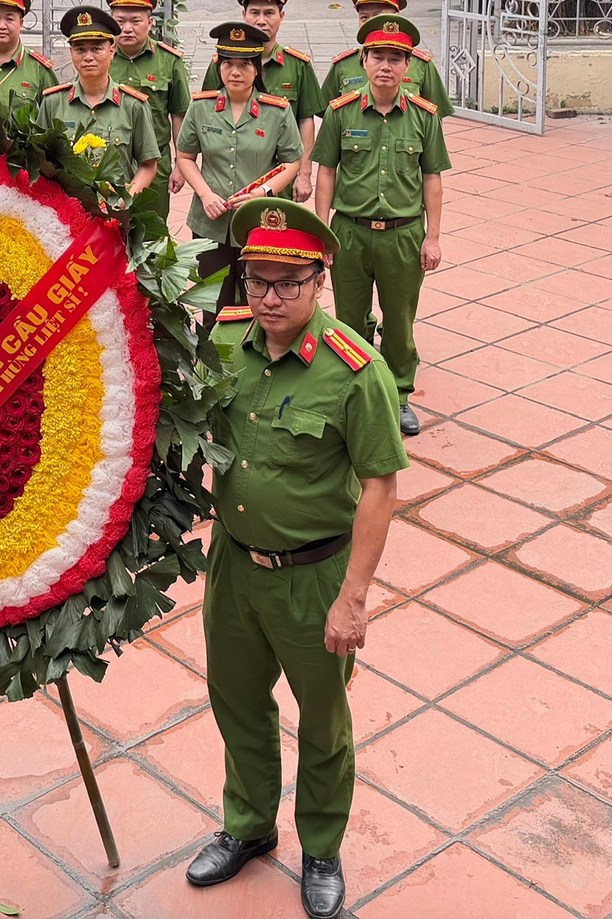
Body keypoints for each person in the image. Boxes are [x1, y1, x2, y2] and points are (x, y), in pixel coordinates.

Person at [189, 197, 406, 919]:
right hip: (234, 567)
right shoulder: (224, 346)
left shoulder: (355, 368)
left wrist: (355, 595)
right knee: (238, 703)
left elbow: (380, 485)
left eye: (288, 282)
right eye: (256, 280)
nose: (270, 297)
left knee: (322, 717)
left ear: (321, 280)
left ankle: (320, 845)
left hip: (315, 577)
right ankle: (249, 825)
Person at [312, 14, 449, 438]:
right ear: (364, 61)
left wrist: (433, 237)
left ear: (409, 66)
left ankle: (399, 393)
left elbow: (432, 179)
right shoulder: (340, 112)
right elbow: (327, 173)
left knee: (400, 320)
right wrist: (322, 233)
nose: (386, 66)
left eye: (395, 58)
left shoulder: (424, 117)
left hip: (404, 234)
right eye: (378, 57)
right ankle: (351, 393)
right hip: (350, 232)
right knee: (350, 318)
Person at [177, 22, 303, 313]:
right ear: (219, 66)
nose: (235, 72)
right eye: (228, 63)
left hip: (258, 222)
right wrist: (205, 194)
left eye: (244, 65)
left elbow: (292, 161)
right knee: (211, 306)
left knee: (259, 304)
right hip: (210, 223)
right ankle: (209, 359)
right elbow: (184, 157)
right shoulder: (200, 108)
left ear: (257, 68)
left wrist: (264, 191)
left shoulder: (276, 112)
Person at [198, 0, 323, 198]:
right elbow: (207, 115)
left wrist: (304, 172)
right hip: (231, 174)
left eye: (269, 13)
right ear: (244, 14)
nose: (261, 20)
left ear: (282, 16)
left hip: (280, 175)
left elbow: (306, 119)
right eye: (254, 13)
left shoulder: (298, 65)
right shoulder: (221, 65)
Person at [40, 5, 161, 209]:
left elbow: (148, 164)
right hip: (66, 212)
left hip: (116, 214)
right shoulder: (53, 103)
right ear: (71, 52)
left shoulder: (133, 105)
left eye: (96, 49)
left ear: (112, 50)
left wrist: (126, 199)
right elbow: (41, 161)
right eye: (80, 49)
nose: (88, 57)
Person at [104, 0, 190, 216]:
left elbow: (179, 115)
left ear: (150, 23)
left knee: (152, 232)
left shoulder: (169, 61)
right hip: (110, 160)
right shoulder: (101, 58)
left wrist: (180, 165)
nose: (127, 28)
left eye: (136, 21)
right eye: (120, 21)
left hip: (155, 160)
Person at [320, 0, 452, 117]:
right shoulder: (343, 65)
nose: (370, 23)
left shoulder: (421, 65)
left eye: (378, 16)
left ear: (395, 18)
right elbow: (326, 115)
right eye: (364, 17)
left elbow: (435, 118)